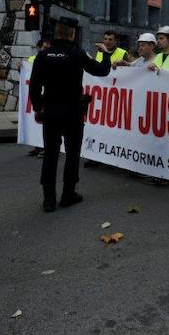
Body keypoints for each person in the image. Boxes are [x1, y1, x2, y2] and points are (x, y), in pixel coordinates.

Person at [29, 17, 112, 212]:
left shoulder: (43, 56)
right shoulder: (77, 53)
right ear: (72, 34)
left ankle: (48, 199)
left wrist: (38, 108)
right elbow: (101, 71)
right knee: (72, 154)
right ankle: (68, 194)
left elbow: (34, 86)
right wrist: (106, 55)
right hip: (73, 113)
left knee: (50, 155)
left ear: (57, 33)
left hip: (51, 112)